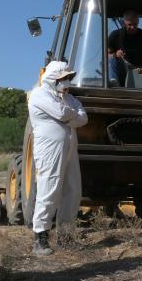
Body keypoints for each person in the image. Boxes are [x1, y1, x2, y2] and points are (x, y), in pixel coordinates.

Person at [28, 61, 88, 255]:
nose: (67, 81)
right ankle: (41, 238)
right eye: (64, 78)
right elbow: (62, 114)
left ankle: (66, 236)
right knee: (49, 189)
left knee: (73, 190)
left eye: (69, 78)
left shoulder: (68, 98)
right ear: (54, 78)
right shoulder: (39, 94)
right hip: (49, 150)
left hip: (70, 148)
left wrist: (69, 115)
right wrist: (71, 115)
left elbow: (83, 118)